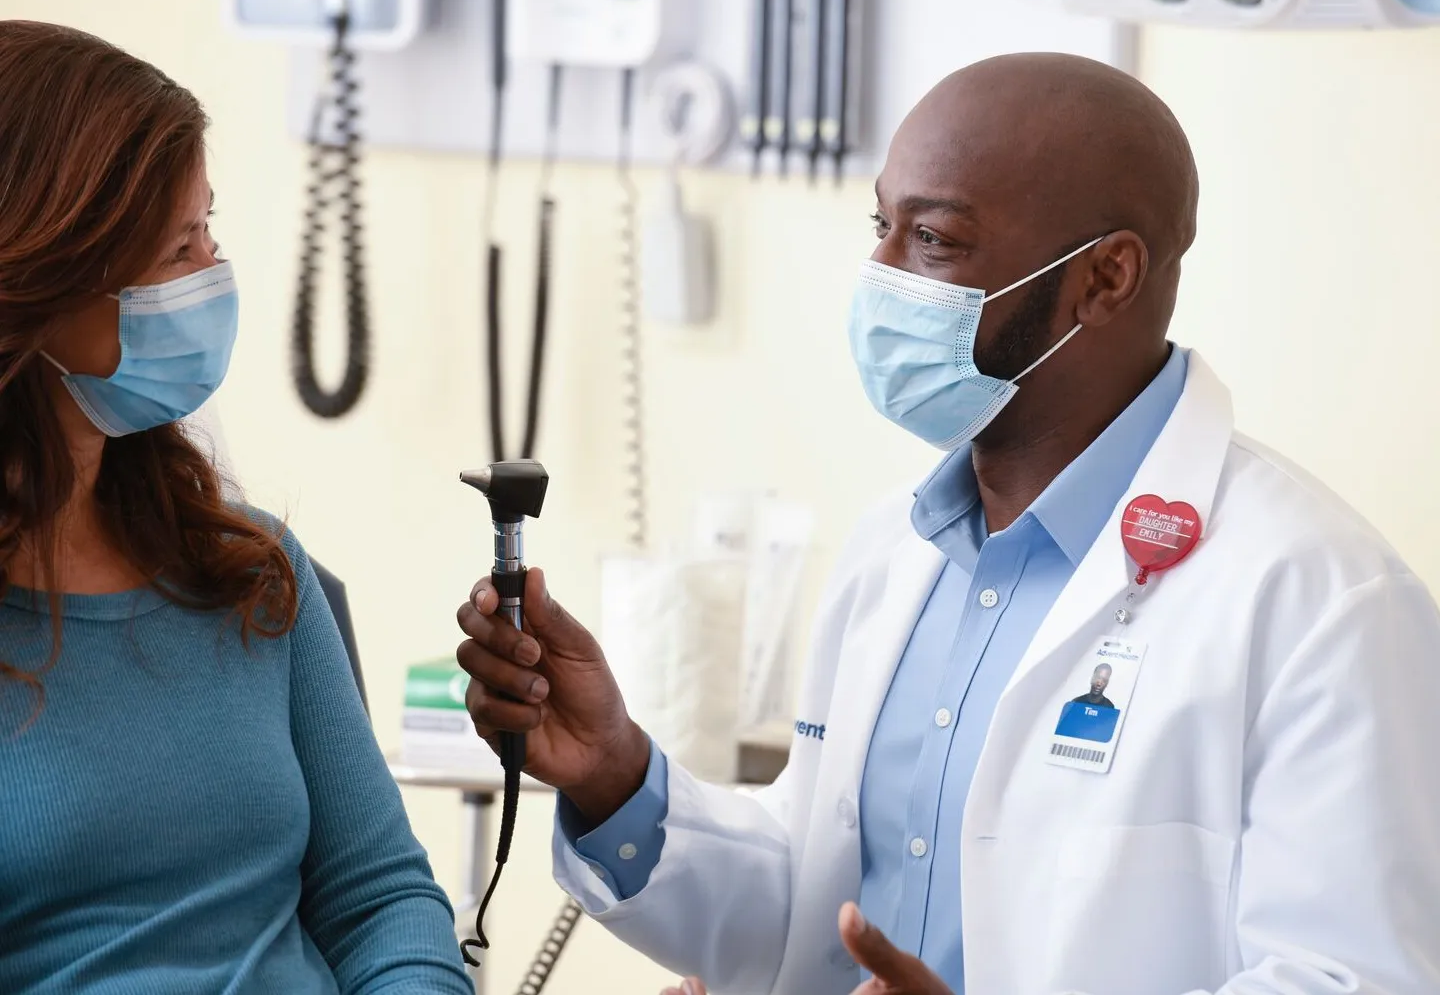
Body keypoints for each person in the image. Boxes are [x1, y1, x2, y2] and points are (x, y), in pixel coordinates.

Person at [456, 52, 1440, 995]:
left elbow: (1355, 980)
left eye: (934, 239)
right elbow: (817, 911)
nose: (882, 277)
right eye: (880, 226)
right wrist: (617, 778)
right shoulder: (898, 550)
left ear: (1105, 278)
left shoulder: (1324, 602)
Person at [0, 21, 471, 994]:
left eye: (211, 228)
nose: (215, 271)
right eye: (182, 246)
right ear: (41, 283)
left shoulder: (249, 572)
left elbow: (380, 897)